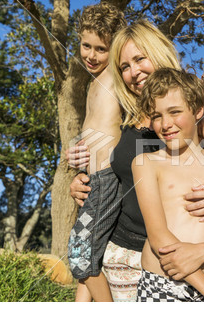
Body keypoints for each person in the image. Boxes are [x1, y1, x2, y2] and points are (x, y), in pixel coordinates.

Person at [68, 20, 204, 302]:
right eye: (124, 66)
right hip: (126, 250)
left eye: (140, 59)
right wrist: (80, 180)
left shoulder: (196, 110)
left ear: (158, 52)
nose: (134, 72)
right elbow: (108, 170)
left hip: (183, 254)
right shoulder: (123, 110)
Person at [133, 68, 204, 302]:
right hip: (163, 285)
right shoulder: (146, 163)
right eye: (156, 115)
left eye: (175, 112)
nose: (165, 124)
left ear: (198, 111)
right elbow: (158, 236)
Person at [66, 3, 126, 302]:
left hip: (106, 179)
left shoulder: (118, 77)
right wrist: (77, 153)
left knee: (79, 253)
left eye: (100, 49)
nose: (90, 55)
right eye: (85, 45)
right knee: (89, 254)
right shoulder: (94, 82)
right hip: (92, 180)